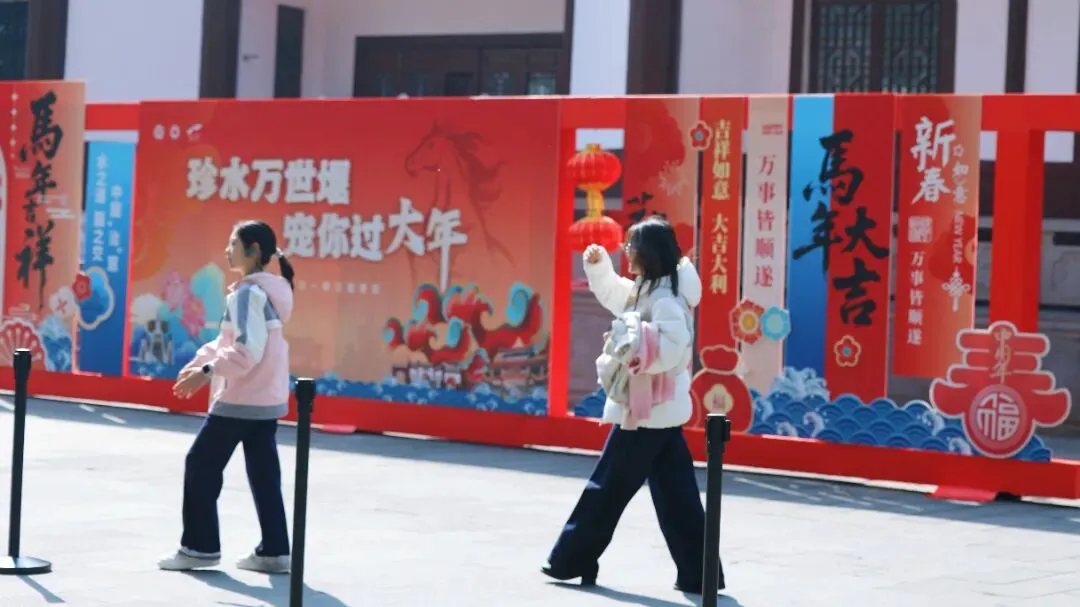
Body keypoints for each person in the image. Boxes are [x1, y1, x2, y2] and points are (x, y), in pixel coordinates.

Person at [542, 216, 723, 594]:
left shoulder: (665, 298)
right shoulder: (651, 288)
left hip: (646, 411)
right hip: (655, 410)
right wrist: (598, 267)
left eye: (631, 246)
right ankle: (699, 572)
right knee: (677, 496)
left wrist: (636, 348)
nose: (627, 251)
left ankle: (572, 558)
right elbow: (615, 294)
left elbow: (674, 349)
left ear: (648, 253)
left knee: (607, 486)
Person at [157, 220, 296, 574]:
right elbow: (227, 344)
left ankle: (199, 547)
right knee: (264, 475)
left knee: (200, 465)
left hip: (242, 399)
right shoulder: (264, 292)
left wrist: (206, 372)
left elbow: (246, 351)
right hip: (264, 399)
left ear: (253, 251)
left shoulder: (249, 294)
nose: (227, 250)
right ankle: (275, 552)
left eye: (233, 243)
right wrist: (199, 363)